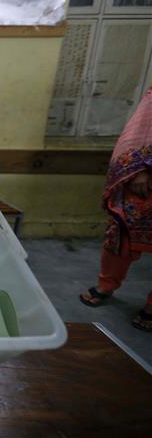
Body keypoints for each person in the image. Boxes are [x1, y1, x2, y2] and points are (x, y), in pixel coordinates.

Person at [79, 87, 152, 332]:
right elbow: (142, 128)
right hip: (144, 177)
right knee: (120, 236)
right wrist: (140, 168)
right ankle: (106, 284)